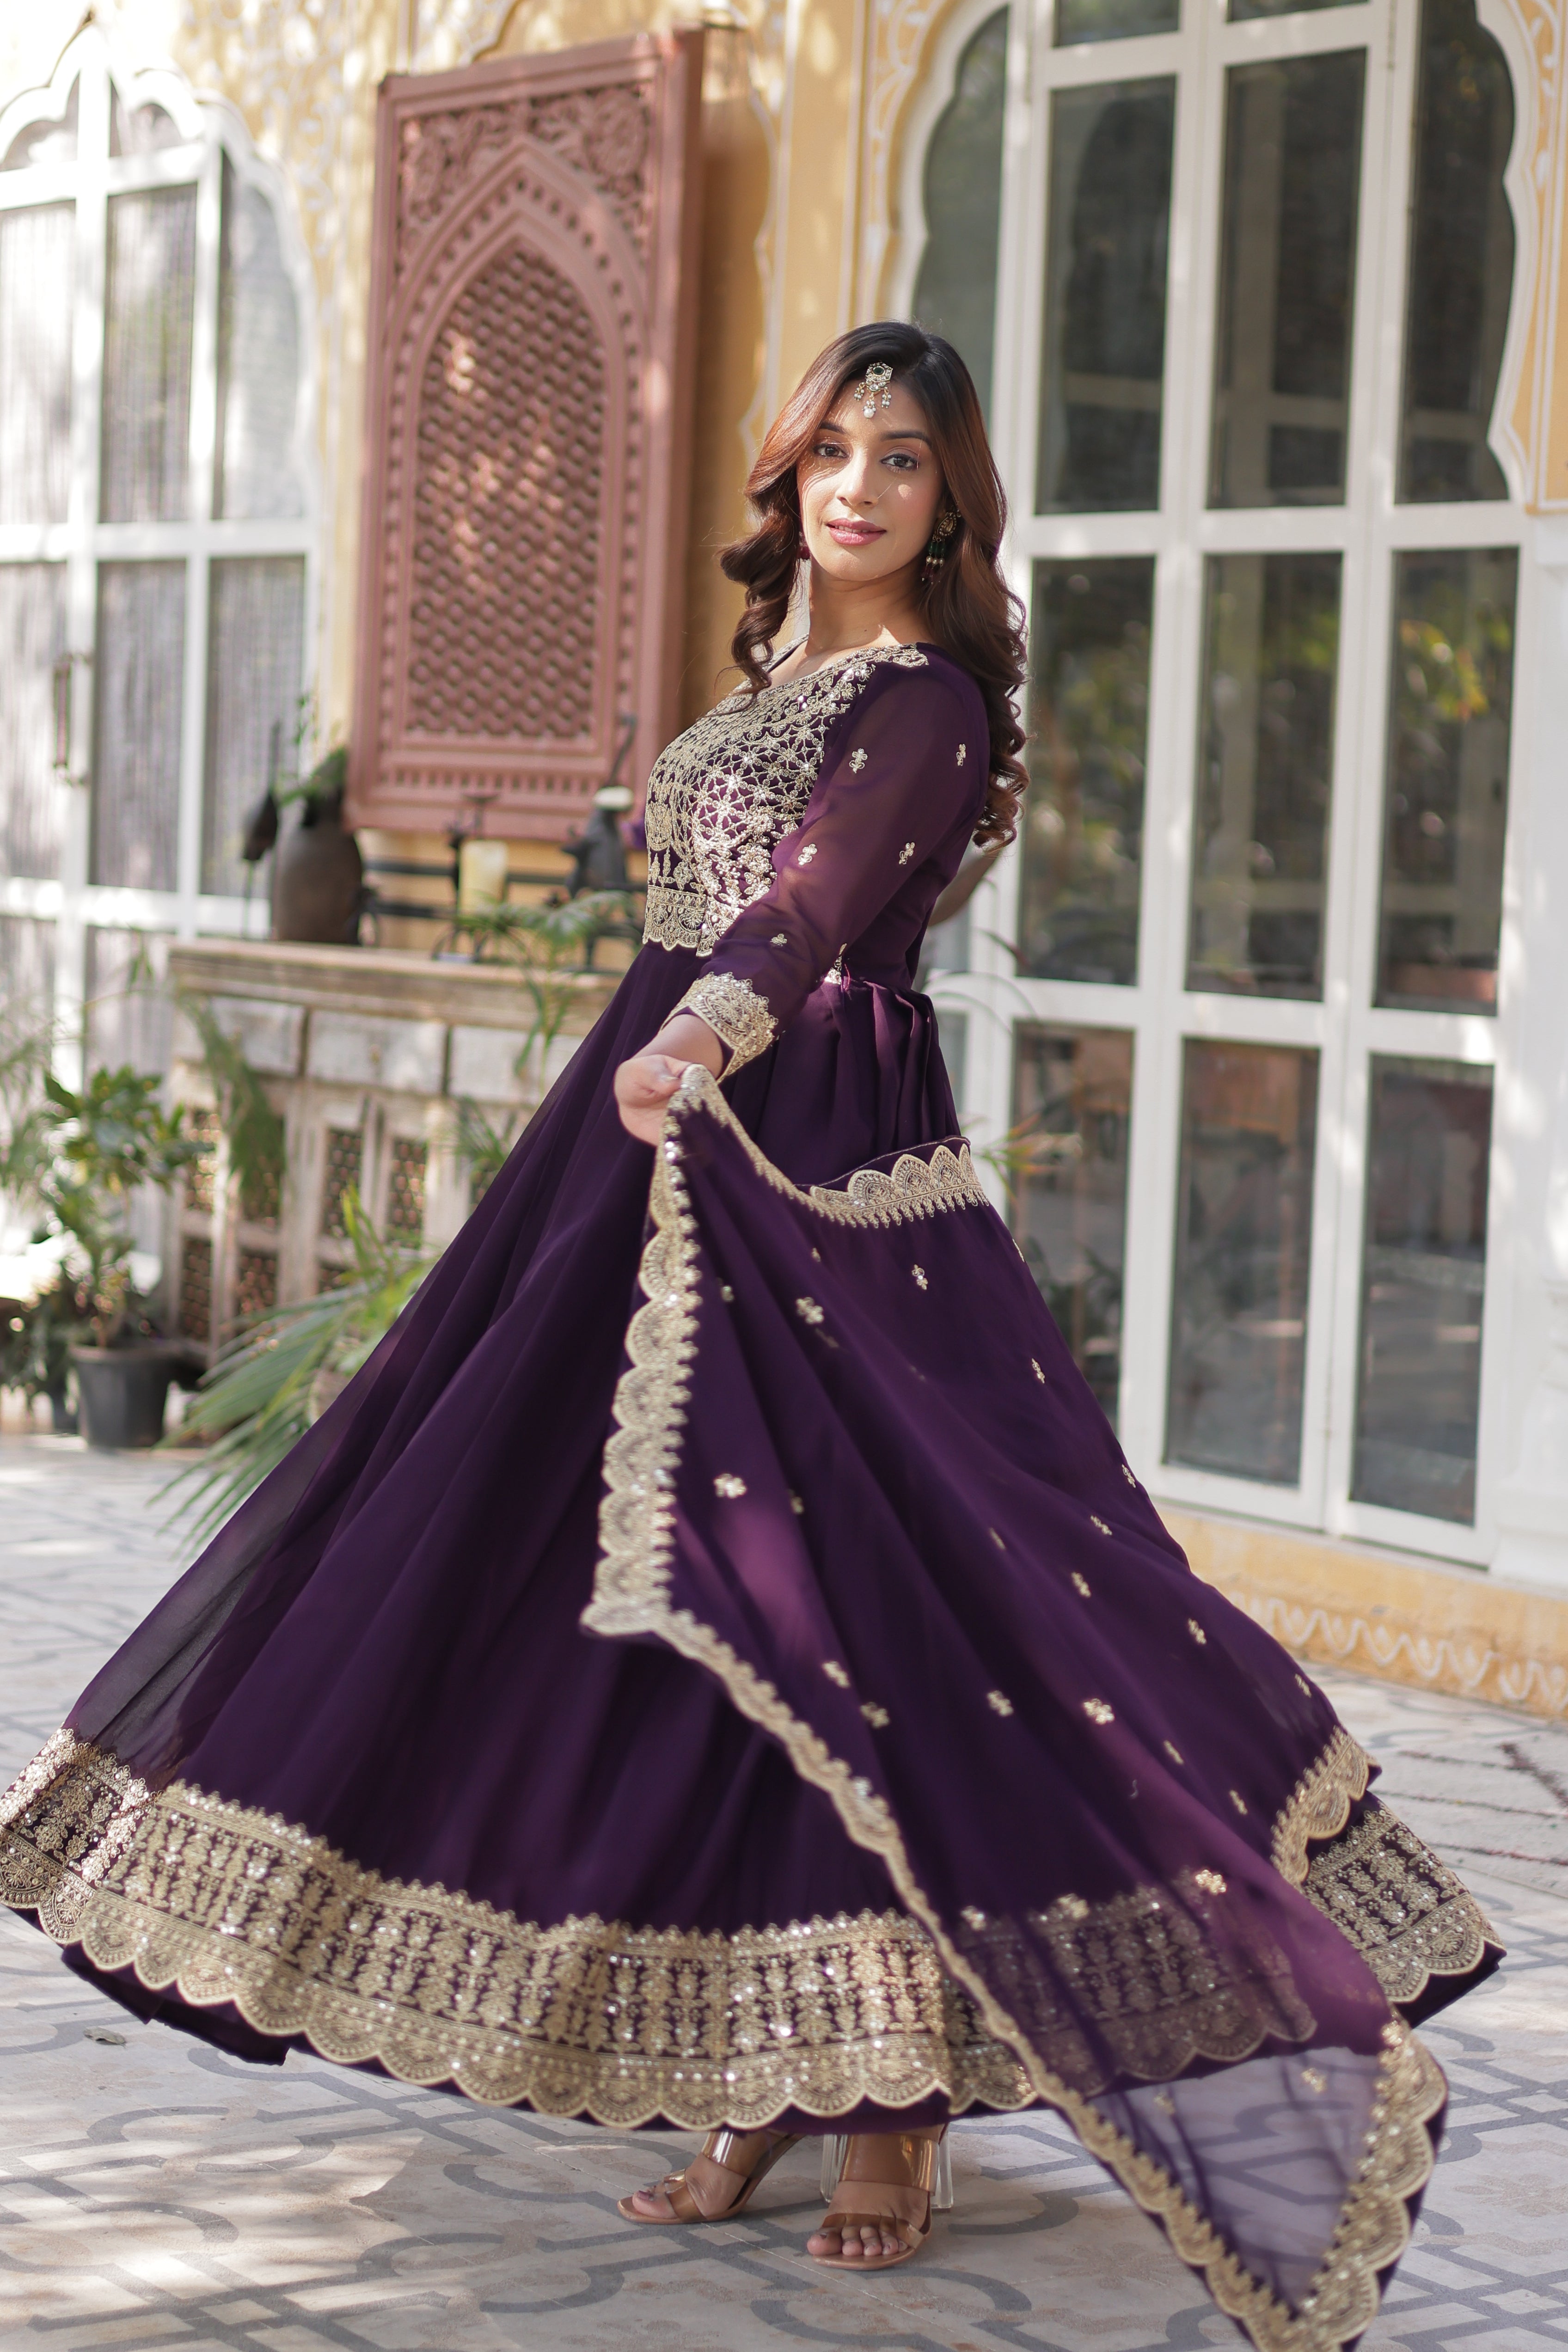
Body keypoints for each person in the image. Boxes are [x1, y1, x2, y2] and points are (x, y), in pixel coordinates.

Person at [1, 326, 1498, 2325]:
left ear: (953, 501)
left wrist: (706, 1023)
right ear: (782, 478)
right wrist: (666, 1041)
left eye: (903, 459)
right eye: (830, 453)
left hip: (808, 1171)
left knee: (872, 1614)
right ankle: (778, 2067)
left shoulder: (927, 699)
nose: (861, 488)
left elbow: (808, 901)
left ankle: (894, 2102)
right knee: (678, 1613)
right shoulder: (782, 676)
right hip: (651, 1148)